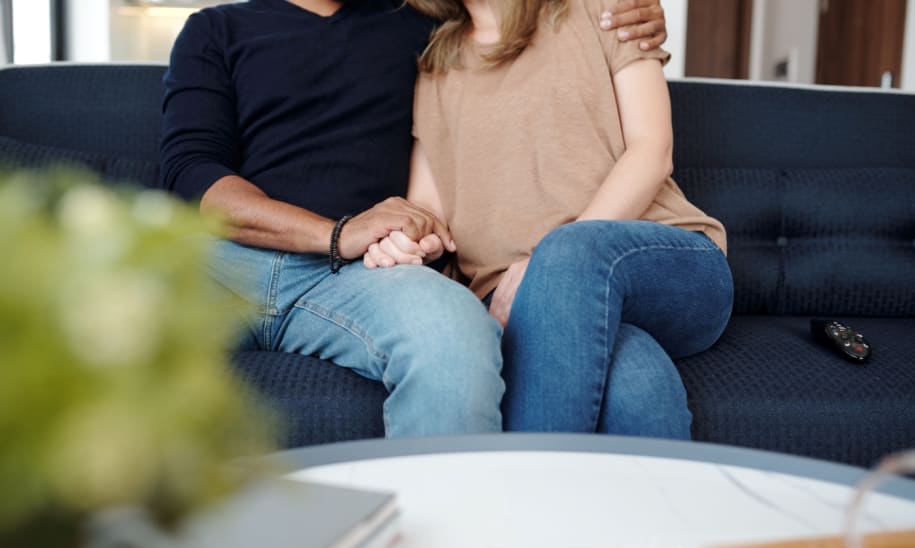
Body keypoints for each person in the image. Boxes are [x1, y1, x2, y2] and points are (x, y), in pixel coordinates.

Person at [160, 0, 669, 437]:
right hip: (220, 262)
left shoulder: (424, 28)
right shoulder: (214, 29)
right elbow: (193, 174)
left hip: (360, 277)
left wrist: (627, 16)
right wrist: (334, 234)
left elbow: (517, 27)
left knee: (455, 339)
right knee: (100, 331)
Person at [367, 0, 734, 437]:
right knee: (634, 377)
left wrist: (547, 262)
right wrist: (411, 240)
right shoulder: (437, 64)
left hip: (668, 262)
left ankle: (524, 493)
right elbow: (430, 211)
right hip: (518, 302)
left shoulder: (604, 8)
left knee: (567, 257)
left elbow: (652, 152)